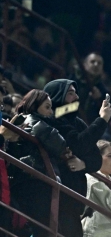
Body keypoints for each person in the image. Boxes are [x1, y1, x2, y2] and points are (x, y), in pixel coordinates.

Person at [43, 79, 111, 237]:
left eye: (76, 93)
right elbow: (79, 144)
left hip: (75, 201)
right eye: (70, 93)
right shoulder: (53, 119)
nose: (76, 97)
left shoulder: (77, 122)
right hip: (56, 194)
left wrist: (83, 163)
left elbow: (96, 160)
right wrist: (102, 120)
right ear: (56, 95)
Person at [9, 89, 77, 237]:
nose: (51, 112)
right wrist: (65, 150)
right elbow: (59, 144)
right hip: (36, 181)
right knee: (43, 227)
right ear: (34, 105)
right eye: (47, 107)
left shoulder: (27, 120)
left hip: (32, 180)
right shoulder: (34, 120)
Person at [71, 53, 110, 122]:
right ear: (85, 65)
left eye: (99, 63)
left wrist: (100, 99)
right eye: (92, 62)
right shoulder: (72, 80)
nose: (96, 65)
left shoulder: (102, 90)